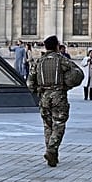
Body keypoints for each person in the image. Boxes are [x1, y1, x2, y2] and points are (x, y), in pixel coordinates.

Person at [27, 35, 83, 168]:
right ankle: (51, 150)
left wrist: (38, 90)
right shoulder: (61, 60)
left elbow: (30, 83)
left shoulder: (38, 62)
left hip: (44, 96)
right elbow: (78, 73)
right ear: (57, 46)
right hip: (58, 95)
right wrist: (67, 84)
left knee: (48, 126)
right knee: (59, 124)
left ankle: (52, 155)